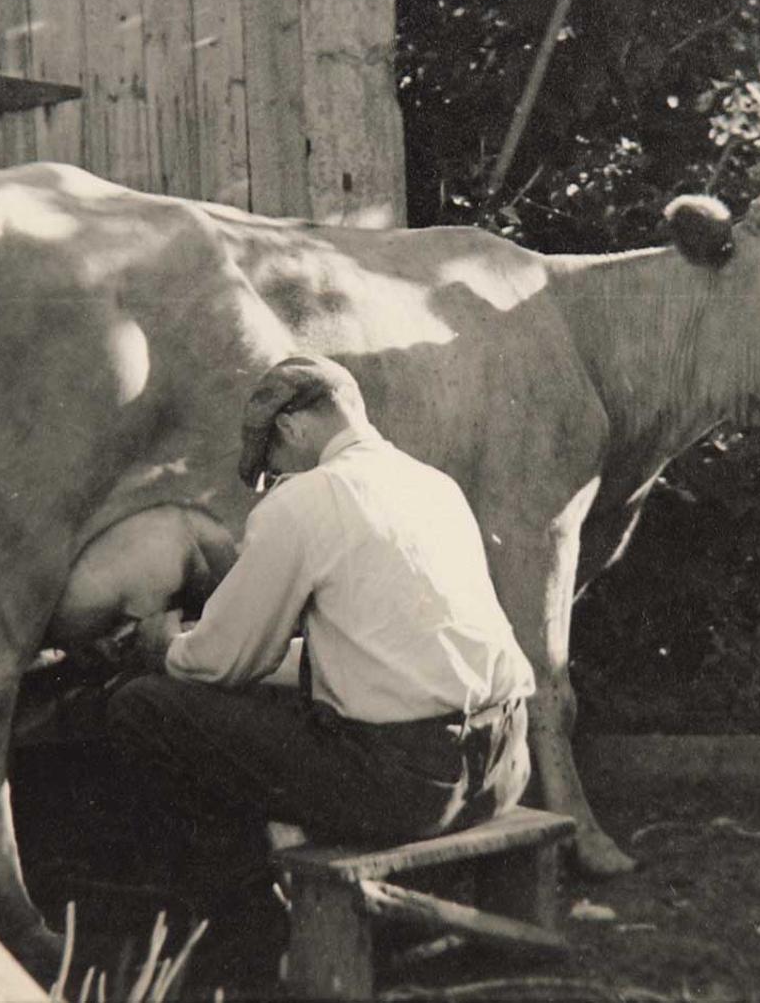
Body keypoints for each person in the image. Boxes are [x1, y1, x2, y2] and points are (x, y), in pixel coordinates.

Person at [105, 354, 536, 908]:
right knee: (290, 710)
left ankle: (246, 917)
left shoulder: (307, 499)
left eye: (274, 463)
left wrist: (166, 646)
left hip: (415, 790)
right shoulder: (433, 485)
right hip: (503, 767)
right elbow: (383, 647)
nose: (278, 479)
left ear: (289, 427)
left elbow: (227, 660)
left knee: (144, 706)